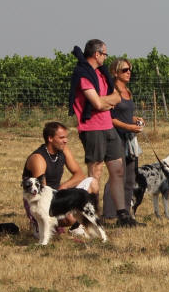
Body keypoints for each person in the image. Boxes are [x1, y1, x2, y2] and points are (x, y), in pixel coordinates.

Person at [68, 39, 137, 227]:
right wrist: (106, 101)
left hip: (107, 127)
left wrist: (104, 100)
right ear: (97, 54)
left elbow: (115, 97)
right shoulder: (83, 75)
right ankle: (92, 215)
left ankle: (123, 215)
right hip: (92, 128)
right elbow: (97, 104)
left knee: (118, 170)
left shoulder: (102, 75)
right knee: (95, 172)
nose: (106, 57)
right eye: (105, 53)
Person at [22, 122, 95, 234]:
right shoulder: (38, 159)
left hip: (56, 194)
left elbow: (79, 174)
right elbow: (41, 192)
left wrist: (63, 187)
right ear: (50, 138)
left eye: (66, 137)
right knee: (70, 217)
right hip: (41, 199)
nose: (65, 140)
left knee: (91, 182)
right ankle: (38, 222)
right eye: (61, 137)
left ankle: (75, 225)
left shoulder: (64, 151)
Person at [102, 58, 145, 219]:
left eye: (129, 69)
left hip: (130, 140)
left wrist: (135, 119)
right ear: (115, 72)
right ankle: (109, 213)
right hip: (116, 138)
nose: (129, 72)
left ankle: (125, 213)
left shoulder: (127, 91)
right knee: (116, 175)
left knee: (130, 177)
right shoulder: (112, 91)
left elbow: (125, 114)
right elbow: (110, 118)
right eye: (124, 70)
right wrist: (129, 127)